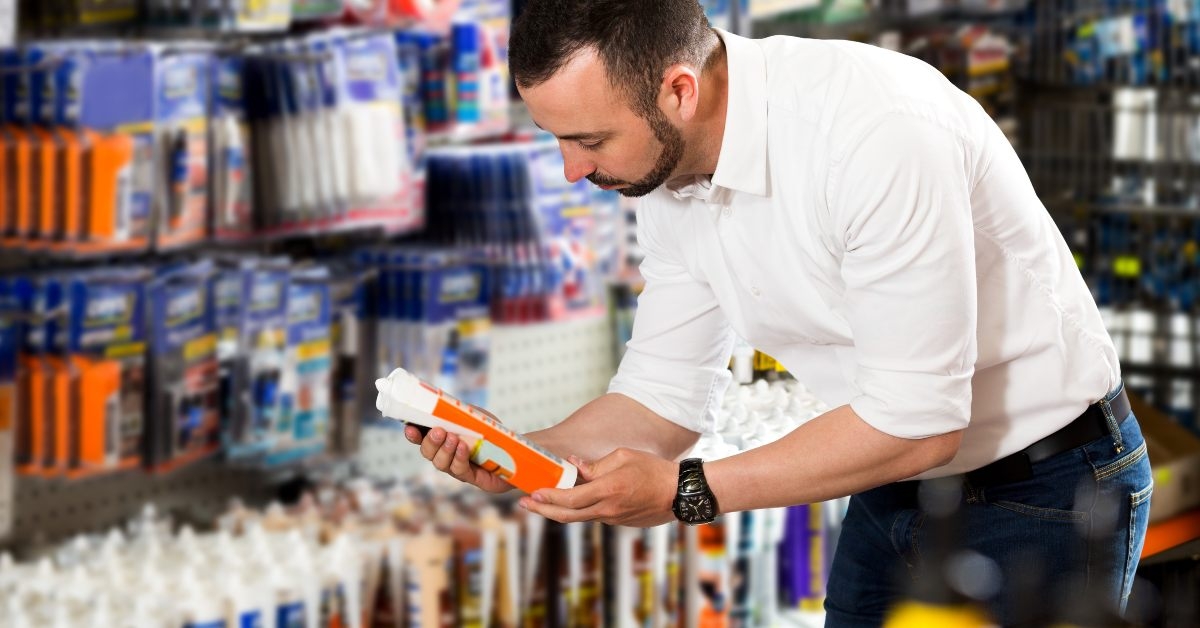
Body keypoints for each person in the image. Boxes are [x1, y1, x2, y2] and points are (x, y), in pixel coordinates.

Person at [403, 0, 1153, 624]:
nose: (573, 170)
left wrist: (687, 491)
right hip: (892, 482)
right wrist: (524, 454)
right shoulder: (662, 175)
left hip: (1046, 487)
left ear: (679, 91)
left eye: (588, 140)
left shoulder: (873, 131)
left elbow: (921, 420)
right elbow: (661, 397)